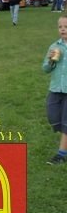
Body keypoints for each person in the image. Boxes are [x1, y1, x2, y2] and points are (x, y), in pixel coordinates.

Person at [42, 16, 67, 164]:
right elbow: (45, 69)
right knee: (53, 116)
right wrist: (51, 60)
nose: (63, 29)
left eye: (66, 26)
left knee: (66, 122)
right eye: (60, 27)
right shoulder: (54, 46)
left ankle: (61, 155)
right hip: (56, 88)